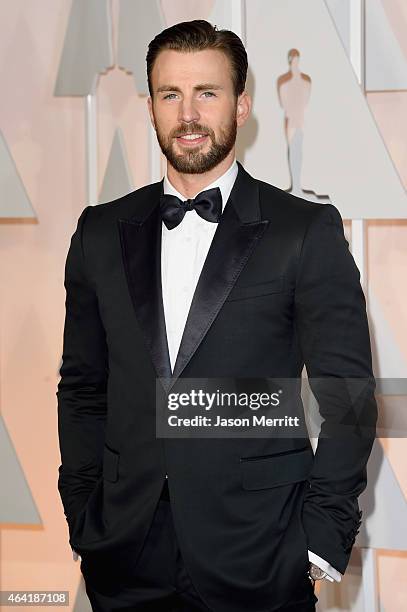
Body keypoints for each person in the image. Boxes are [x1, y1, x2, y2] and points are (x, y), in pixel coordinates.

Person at [56, 19, 377, 612]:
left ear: (243, 104)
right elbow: (82, 388)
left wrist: (320, 543)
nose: (188, 114)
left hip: (262, 555)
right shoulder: (98, 232)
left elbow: (351, 399)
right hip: (124, 559)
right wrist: (83, 516)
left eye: (207, 92)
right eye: (170, 94)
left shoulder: (303, 232)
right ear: (150, 104)